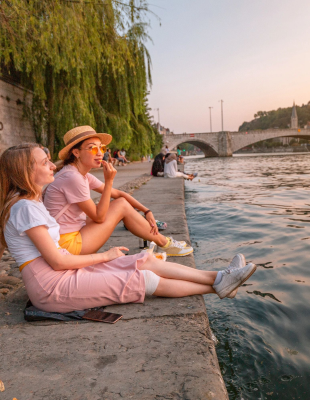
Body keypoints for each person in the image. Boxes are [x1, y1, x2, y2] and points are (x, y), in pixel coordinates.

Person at [0, 143, 257, 313]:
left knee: (144, 260)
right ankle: (219, 286)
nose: (52, 165)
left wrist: (145, 210)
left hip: (62, 273)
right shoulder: (24, 207)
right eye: (45, 162)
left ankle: (220, 276)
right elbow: (56, 261)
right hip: (50, 288)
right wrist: (106, 256)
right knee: (144, 279)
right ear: (25, 171)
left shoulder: (31, 202)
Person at [43, 126, 193, 257]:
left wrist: (146, 211)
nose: (99, 153)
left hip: (68, 235)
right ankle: (164, 243)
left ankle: (163, 241)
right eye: (92, 148)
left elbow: (119, 194)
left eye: (101, 148)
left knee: (121, 203)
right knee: (120, 206)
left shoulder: (79, 174)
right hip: (66, 246)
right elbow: (99, 217)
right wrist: (109, 181)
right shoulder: (72, 177)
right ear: (76, 152)